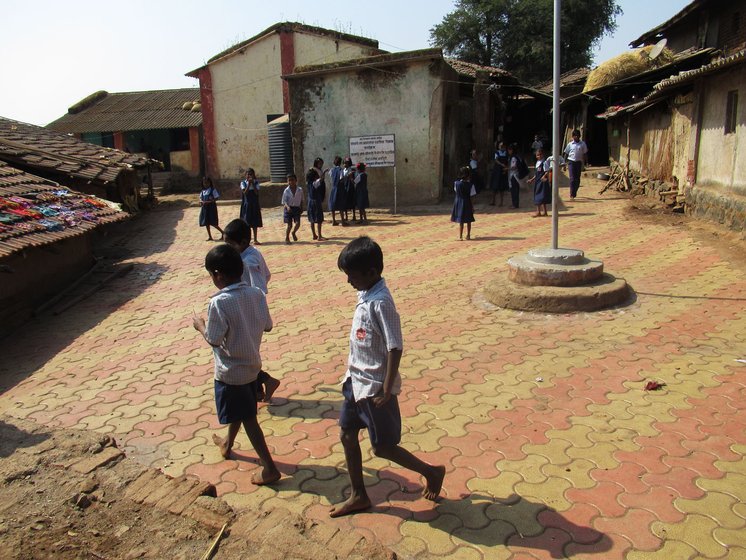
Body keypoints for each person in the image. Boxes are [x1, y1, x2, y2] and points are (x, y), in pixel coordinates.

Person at [330, 236, 446, 518]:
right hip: (354, 382)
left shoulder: (381, 302)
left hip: (373, 389)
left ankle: (431, 471)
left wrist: (386, 387)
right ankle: (358, 494)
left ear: (371, 273)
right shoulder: (365, 293)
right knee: (347, 434)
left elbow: (395, 345)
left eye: (352, 276)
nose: (349, 282)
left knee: (382, 447)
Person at [192, 244, 280, 485]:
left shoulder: (219, 303)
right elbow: (268, 326)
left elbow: (214, 338)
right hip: (252, 365)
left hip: (231, 372)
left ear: (218, 275)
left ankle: (269, 467)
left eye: (211, 275)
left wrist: (200, 324)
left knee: (248, 417)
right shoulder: (256, 294)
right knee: (242, 409)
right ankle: (227, 444)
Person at [223, 219, 281, 403]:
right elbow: (268, 275)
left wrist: (259, 316)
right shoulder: (252, 253)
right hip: (246, 311)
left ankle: (263, 383)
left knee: (245, 354)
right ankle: (259, 388)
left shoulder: (248, 262)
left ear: (243, 242)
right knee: (247, 353)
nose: (228, 248)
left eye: (230, 244)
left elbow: (259, 289)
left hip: (250, 313)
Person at [451, 166, 476, 240]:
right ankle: (468, 235)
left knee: (461, 220)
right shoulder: (471, 185)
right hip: (467, 203)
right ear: (468, 175)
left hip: (458, 203)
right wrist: (472, 207)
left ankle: (460, 236)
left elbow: (456, 192)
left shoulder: (456, 184)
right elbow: (472, 197)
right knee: (468, 220)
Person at [239, 168, 263, 245]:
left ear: (254, 175)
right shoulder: (243, 183)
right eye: (248, 174)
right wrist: (249, 184)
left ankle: (255, 239)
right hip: (247, 205)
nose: (249, 176)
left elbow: (256, 193)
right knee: (246, 222)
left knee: (255, 222)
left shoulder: (256, 183)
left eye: (251, 174)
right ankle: (247, 239)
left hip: (254, 205)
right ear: (246, 175)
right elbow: (245, 193)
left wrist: (252, 184)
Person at [563, 129, 588, 199]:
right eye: (575, 136)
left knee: (577, 179)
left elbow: (585, 153)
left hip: (578, 163)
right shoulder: (570, 144)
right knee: (572, 178)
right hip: (571, 162)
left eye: (577, 135)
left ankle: (574, 192)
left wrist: (586, 162)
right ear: (573, 136)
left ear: (580, 136)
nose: (576, 137)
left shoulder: (583, 144)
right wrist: (564, 163)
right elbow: (566, 153)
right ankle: (571, 193)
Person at [306, 158, 327, 241]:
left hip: (310, 201)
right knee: (319, 219)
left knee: (312, 218)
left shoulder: (308, 183)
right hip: (316, 201)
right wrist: (324, 172)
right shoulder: (315, 183)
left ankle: (314, 235)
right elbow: (321, 180)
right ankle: (319, 236)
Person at [199, 177, 224, 241]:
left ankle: (223, 232)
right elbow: (200, 199)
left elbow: (216, 198)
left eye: (207, 183)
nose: (206, 184)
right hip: (205, 209)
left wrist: (209, 201)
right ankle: (210, 236)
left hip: (211, 208)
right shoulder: (202, 191)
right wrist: (201, 202)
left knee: (213, 223)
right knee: (207, 223)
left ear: (210, 183)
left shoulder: (213, 190)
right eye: (204, 183)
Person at [528, 149, 551, 217]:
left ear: (543, 155)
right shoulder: (537, 162)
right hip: (537, 181)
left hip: (542, 181)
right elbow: (537, 173)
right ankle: (540, 211)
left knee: (541, 196)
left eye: (540, 154)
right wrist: (532, 179)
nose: (539, 156)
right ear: (536, 156)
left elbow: (547, 171)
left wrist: (544, 176)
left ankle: (542, 212)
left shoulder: (544, 162)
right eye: (538, 155)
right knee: (538, 195)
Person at [282, 173, 303, 244]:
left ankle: (293, 232)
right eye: (289, 180)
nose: (291, 182)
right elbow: (284, 202)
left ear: (296, 180)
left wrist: (301, 207)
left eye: (292, 180)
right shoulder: (286, 191)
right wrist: (287, 207)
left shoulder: (300, 190)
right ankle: (287, 238)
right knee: (289, 225)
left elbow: (301, 199)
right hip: (289, 209)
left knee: (298, 223)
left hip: (296, 208)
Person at [489, 141, 509, 207]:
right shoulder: (497, 152)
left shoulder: (506, 153)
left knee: (502, 187)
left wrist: (505, 167)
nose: (501, 147)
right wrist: (501, 164)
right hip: (497, 170)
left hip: (503, 171)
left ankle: (501, 202)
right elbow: (496, 160)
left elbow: (508, 161)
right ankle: (493, 200)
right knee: (494, 186)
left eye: (502, 146)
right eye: (500, 146)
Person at [328, 156, 344, 226]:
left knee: (333, 204)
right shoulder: (341, 170)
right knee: (341, 204)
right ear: (340, 163)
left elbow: (331, 177)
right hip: (339, 188)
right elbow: (341, 179)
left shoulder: (331, 170)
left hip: (333, 188)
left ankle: (334, 220)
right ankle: (343, 221)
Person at [342, 157, 356, 224]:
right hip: (344, 187)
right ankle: (346, 216)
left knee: (352, 201)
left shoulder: (352, 170)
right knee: (345, 202)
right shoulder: (343, 170)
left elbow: (354, 179)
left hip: (351, 187)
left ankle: (354, 216)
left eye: (346, 163)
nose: (345, 164)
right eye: (344, 163)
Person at [507, 144, 521, 209]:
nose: (508, 151)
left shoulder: (513, 157)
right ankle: (514, 204)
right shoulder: (515, 157)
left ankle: (515, 204)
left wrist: (507, 168)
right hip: (514, 175)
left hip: (514, 176)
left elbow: (513, 166)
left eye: (509, 150)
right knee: (514, 190)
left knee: (514, 191)